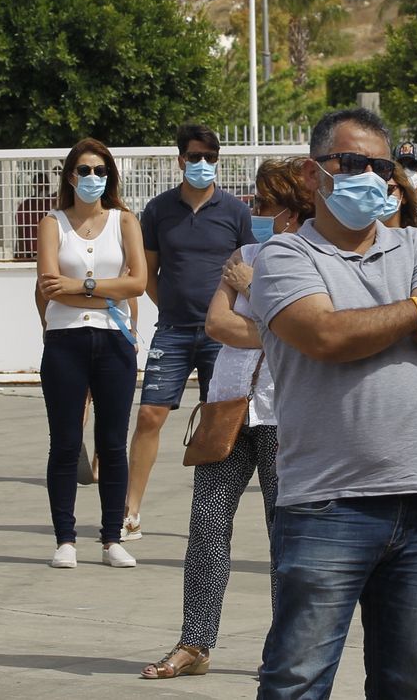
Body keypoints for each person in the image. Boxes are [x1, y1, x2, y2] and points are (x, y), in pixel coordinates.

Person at [248, 108, 417, 699]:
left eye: (380, 166)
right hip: (328, 503)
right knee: (297, 678)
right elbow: (326, 337)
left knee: (406, 678)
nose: (370, 176)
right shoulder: (285, 258)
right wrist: (413, 311)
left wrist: (405, 318)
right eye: (353, 163)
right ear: (314, 176)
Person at [141, 157, 312, 680]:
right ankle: (196, 641)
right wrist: (278, 322)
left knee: (284, 535)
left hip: (286, 410)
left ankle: (284, 650)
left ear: (291, 210)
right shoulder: (242, 254)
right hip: (229, 401)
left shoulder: (312, 261)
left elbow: (311, 326)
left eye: (263, 204)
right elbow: (218, 323)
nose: (254, 212)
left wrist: (256, 292)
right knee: (207, 525)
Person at [126, 124, 255, 542]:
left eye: (211, 158)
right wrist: (173, 307)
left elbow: (247, 267)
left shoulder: (235, 211)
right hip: (173, 331)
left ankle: (212, 520)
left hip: (221, 333)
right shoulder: (158, 209)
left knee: (219, 423)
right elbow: (148, 273)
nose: (203, 165)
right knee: (150, 415)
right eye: (195, 157)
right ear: (180, 158)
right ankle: (130, 513)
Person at [36, 139, 147, 569]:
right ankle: (65, 539)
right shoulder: (53, 223)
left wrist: (81, 288)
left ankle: (110, 538)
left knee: (112, 443)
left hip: (114, 340)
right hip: (64, 341)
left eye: (100, 171)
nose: (92, 178)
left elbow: (137, 283)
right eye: (84, 170)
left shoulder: (124, 222)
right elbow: (48, 286)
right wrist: (107, 291)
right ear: (70, 175)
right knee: (65, 442)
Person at [15, 172, 58, 261]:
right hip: (31, 253)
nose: (43, 187)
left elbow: (65, 191)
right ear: (34, 186)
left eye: (45, 184)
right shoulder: (26, 205)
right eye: (40, 184)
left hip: (52, 251)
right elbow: (20, 231)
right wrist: (22, 255)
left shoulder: (53, 202)